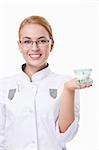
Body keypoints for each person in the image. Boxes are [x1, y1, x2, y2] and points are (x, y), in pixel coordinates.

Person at [0, 16, 92, 150]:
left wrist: (68, 90)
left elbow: (65, 136)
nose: (34, 48)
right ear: (19, 46)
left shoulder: (67, 84)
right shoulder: (3, 86)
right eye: (27, 41)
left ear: (51, 44)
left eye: (42, 41)